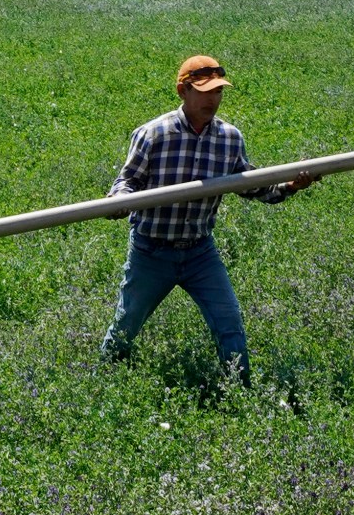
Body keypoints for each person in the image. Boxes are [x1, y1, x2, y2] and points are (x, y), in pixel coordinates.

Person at [100, 55, 318, 376]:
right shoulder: (153, 134)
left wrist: (290, 185)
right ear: (182, 91)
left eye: (217, 92)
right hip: (151, 251)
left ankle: (240, 391)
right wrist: (120, 201)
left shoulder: (229, 139)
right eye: (204, 91)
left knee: (230, 324)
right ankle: (102, 380)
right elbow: (127, 181)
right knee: (125, 325)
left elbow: (251, 186)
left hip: (200, 252)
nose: (212, 99)